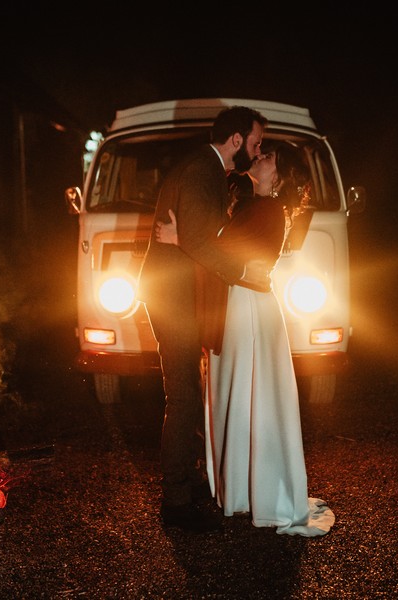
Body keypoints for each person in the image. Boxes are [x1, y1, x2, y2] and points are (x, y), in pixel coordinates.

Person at [155, 142, 336, 536]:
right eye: (261, 150)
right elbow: (229, 260)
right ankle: (237, 486)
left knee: (248, 393)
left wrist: (178, 239)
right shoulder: (249, 203)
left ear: (279, 174)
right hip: (239, 303)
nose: (260, 156)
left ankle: (251, 489)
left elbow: (235, 260)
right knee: (236, 391)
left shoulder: (268, 210)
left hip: (250, 309)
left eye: (268, 156)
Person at [137, 106, 269, 533]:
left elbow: (204, 234)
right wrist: (242, 272)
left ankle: (189, 482)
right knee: (183, 397)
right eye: (255, 142)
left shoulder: (212, 172)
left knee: (190, 391)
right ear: (235, 140)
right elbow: (197, 238)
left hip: (182, 297)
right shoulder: (200, 170)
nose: (257, 149)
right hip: (171, 298)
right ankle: (176, 501)